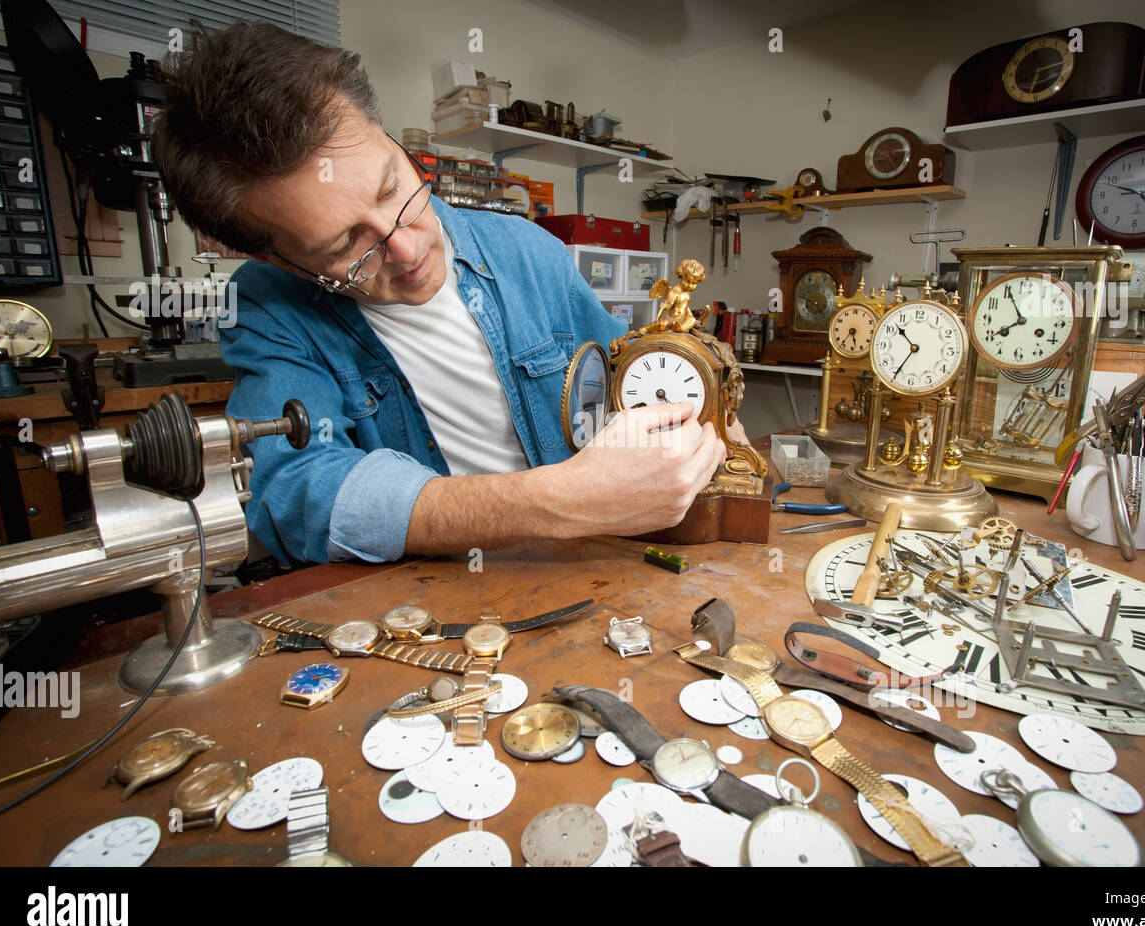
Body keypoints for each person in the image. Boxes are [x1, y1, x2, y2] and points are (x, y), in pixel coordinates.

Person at [152, 22, 732, 565]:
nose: (405, 250)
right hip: (430, 605)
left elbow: (643, 377)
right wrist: (555, 501)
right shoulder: (267, 305)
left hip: (583, 571)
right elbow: (295, 493)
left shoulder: (527, 253)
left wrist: (699, 432)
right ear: (275, 257)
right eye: (345, 246)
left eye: (392, 189)